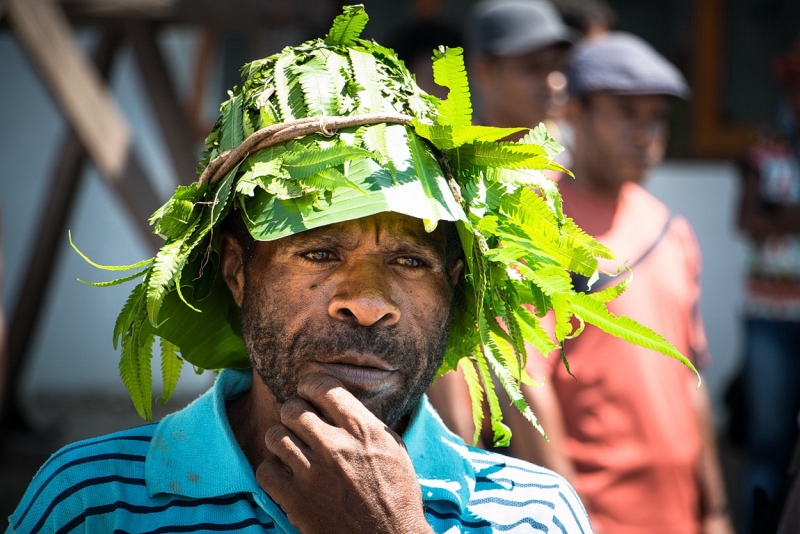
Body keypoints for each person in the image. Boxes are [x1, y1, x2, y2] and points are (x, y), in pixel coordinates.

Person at [8, 6, 601, 532]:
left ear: (453, 290)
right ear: (238, 273)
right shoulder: (92, 503)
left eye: (410, 260)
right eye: (320, 253)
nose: (368, 302)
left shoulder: (534, 514)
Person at [498, 33, 734, 533]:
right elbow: (525, 379)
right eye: (627, 113)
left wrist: (714, 509)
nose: (645, 133)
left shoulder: (673, 231)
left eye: (656, 118)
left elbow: (691, 382)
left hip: (680, 515)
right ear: (575, 113)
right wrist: (568, 519)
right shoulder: (538, 223)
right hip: (593, 515)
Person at [736, 36, 800, 532]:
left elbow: (768, 217)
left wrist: (781, 215)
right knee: (767, 440)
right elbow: (748, 219)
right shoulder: (766, 145)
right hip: (769, 316)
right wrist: (773, 217)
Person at [466, 0, 572, 131]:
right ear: (484, 72)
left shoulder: (581, 148)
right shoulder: (451, 150)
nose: (552, 84)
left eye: (557, 66)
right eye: (533, 68)